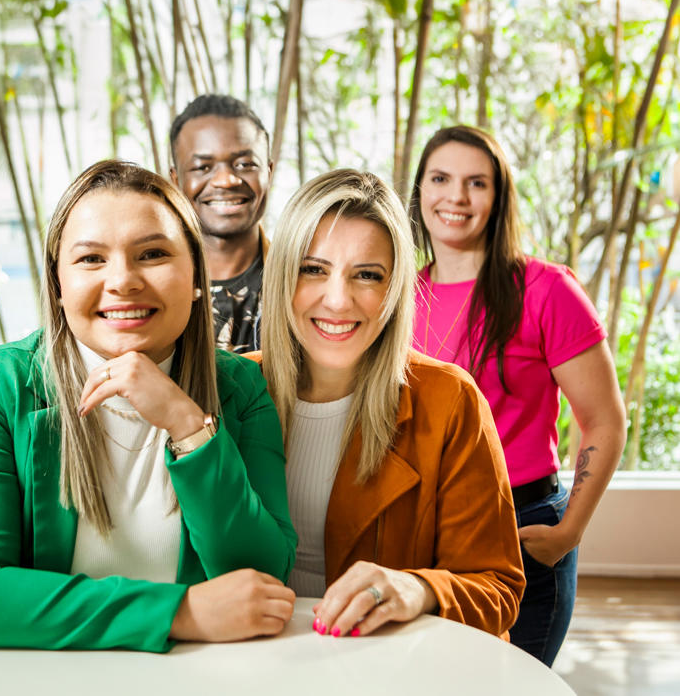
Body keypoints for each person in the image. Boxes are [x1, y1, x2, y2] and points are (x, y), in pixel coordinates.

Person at [0, 160, 297, 657]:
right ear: (58, 284)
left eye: (152, 253)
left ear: (195, 277)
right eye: (91, 259)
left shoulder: (241, 388)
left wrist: (188, 425)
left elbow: (261, 581)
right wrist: (178, 612)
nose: (123, 281)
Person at [255, 169, 525, 640]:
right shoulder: (232, 389)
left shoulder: (450, 401)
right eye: (313, 269)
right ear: (282, 276)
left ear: (395, 289)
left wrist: (417, 589)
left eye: (367, 275)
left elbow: (497, 588)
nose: (338, 300)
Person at [409, 125, 626, 665]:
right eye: (440, 178)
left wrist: (568, 531)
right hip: (425, 527)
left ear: (498, 196)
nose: (456, 197)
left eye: (476, 183)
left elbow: (604, 421)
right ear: (419, 193)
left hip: (524, 522)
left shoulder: (546, 289)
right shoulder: (399, 295)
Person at [170, 94, 273, 353]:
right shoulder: (152, 287)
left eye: (245, 164)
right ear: (175, 180)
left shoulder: (302, 281)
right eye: (203, 167)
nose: (226, 180)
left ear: (268, 172)